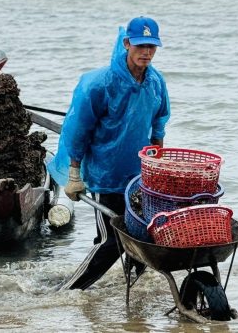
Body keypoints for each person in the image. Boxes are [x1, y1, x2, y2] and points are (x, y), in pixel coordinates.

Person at [48, 16, 170, 290]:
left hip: (138, 175)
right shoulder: (100, 84)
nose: (147, 52)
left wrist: (158, 159)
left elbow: (160, 119)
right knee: (111, 241)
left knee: (142, 237)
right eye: (141, 46)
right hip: (105, 175)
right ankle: (68, 291)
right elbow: (79, 131)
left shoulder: (155, 82)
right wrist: (74, 173)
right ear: (127, 43)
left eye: (152, 46)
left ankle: (132, 292)